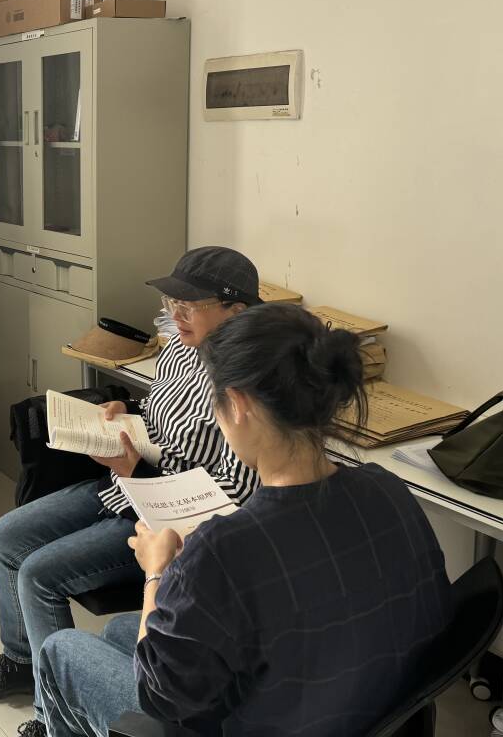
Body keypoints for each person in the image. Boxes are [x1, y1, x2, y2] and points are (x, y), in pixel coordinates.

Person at [37, 302, 456, 737]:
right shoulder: (387, 489)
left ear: (236, 404)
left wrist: (156, 573)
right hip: (366, 709)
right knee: (119, 633)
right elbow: (433, 615)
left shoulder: (222, 549)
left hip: (269, 720)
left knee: (61, 649)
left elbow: (159, 696)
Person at [0, 247, 264, 737]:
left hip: (163, 518)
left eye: (190, 306)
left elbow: (230, 494)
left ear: (236, 311)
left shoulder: (247, 383)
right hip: (125, 485)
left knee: (38, 574)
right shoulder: (180, 347)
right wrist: (130, 411)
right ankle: (22, 660)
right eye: (172, 303)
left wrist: (137, 471)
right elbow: (165, 412)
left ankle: (53, 715)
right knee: (4, 538)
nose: (176, 316)